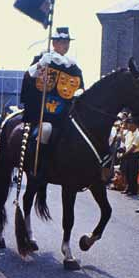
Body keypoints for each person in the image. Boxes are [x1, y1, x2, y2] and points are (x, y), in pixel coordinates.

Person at [20, 27, 84, 178]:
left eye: (67, 42)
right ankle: (38, 164)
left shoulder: (73, 66)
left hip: (64, 113)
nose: (66, 45)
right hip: (43, 113)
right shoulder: (43, 58)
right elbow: (29, 76)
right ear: (54, 43)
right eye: (62, 42)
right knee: (46, 130)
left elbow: (80, 86)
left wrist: (79, 92)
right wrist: (41, 64)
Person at [120, 117, 139, 196]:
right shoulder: (129, 133)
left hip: (134, 155)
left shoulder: (138, 135)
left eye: (130, 124)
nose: (128, 126)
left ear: (135, 125)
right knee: (127, 172)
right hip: (127, 154)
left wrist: (124, 155)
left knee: (133, 173)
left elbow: (133, 148)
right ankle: (128, 188)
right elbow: (125, 143)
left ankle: (133, 190)